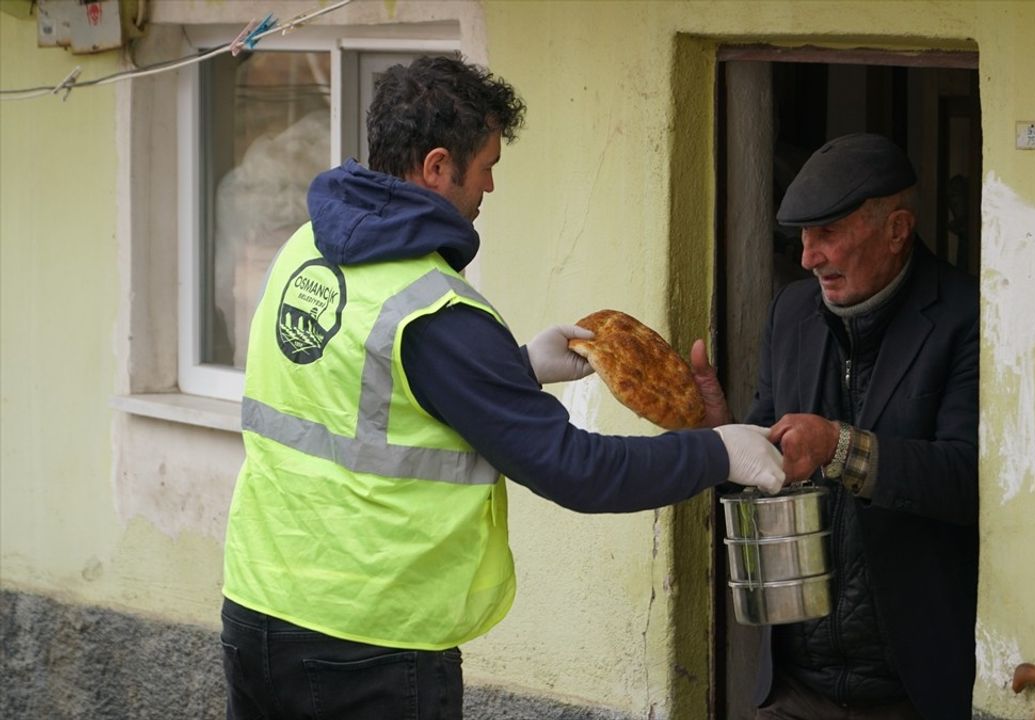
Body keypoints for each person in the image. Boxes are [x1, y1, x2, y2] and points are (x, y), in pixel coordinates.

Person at [219, 55, 787, 720]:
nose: (491, 186)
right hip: (369, 645)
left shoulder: (307, 249)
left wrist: (512, 369)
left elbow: (363, 389)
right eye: (486, 165)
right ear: (436, 167)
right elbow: (579, 471)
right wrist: (721, 451)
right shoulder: (436, 311)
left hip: (257, 614)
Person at [692, 133, 979, 720]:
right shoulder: (791, 313)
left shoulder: (964, 315)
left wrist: (840, 447)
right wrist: (721, 441)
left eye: (828, 234)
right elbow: (766, 469)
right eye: (803, 237)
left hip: (911, 690)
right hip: (796, 684)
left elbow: (966, 479)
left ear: (897, 230)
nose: (807, 257)